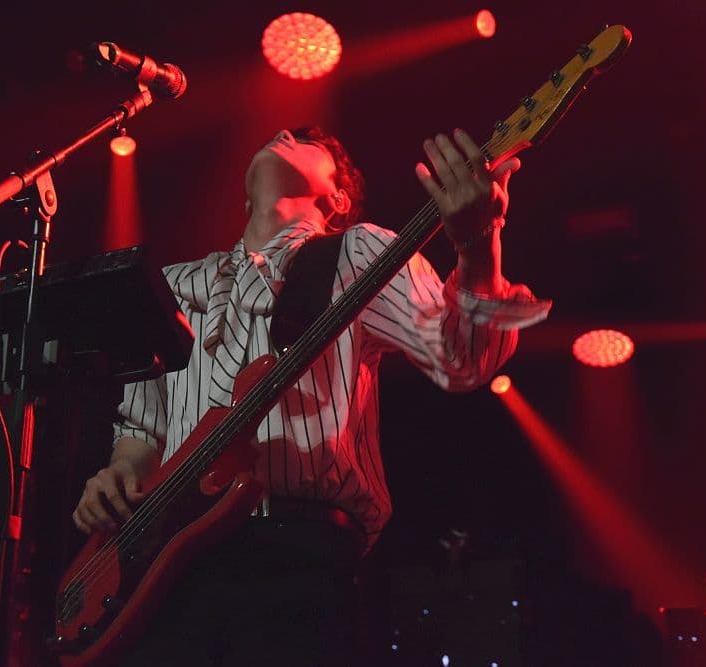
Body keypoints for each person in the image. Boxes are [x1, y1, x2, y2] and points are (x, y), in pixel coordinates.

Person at [72, 126, 550, 665]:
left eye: (305, 141)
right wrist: (116, 475)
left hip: (296, 560)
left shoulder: (357, 251)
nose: (282, 131)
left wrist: (477, 245)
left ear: (338, 198)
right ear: (244, 198)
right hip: (165, 573)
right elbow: (141, 429)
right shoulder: (174, 285)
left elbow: (461, 359)